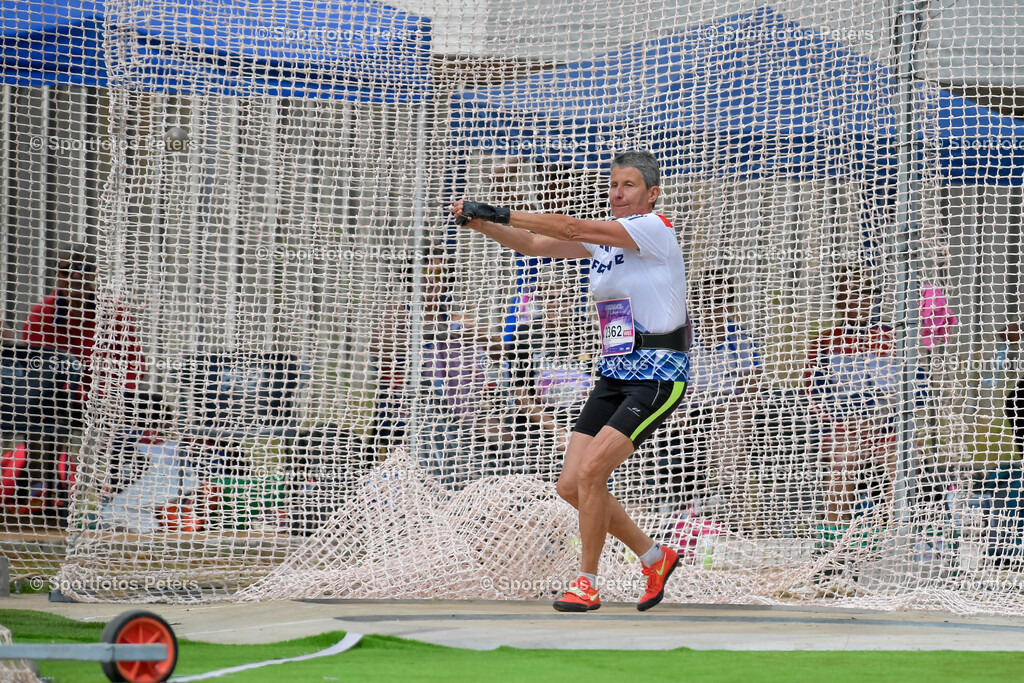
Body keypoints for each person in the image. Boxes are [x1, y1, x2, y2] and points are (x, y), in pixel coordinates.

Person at [452, 150, 690, 613]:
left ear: (651, 194)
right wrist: (477, 222)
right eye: (614, 185)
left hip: (658, 373)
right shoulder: (605, 242)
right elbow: (534, 246)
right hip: (615, 371)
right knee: (570, 486)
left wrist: (500, 208)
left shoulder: (652, 229)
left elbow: (570, 228)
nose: (618, 193)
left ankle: (586, 581)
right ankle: (655, 557)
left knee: (592, 472)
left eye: (628, 186)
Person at [804, 267, 898, 568]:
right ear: (839, 301)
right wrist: (844, 421)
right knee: (842, 464)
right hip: (845, 428)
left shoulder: (893, 339)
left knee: (900, 466)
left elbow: (914, 390)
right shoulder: (825, 341)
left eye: (862, 293)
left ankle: (892, 539)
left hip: (888, 428)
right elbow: (813, 391)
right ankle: (836, 543)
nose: (855, 300)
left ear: (874, 299)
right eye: (847, 294)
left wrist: (882, 417)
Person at [658, 269, 761, 510]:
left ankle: (731, 503)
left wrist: (727, 405)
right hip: (688, 407)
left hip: (725, 407)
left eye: (719, 301)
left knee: (733, 419)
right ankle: (682, 507)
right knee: (676, 424)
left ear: (729, 305)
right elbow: (667, 378)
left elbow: (751, 383)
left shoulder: (741, 339)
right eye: (707, 301)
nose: (712, 309)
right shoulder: (682, 337)